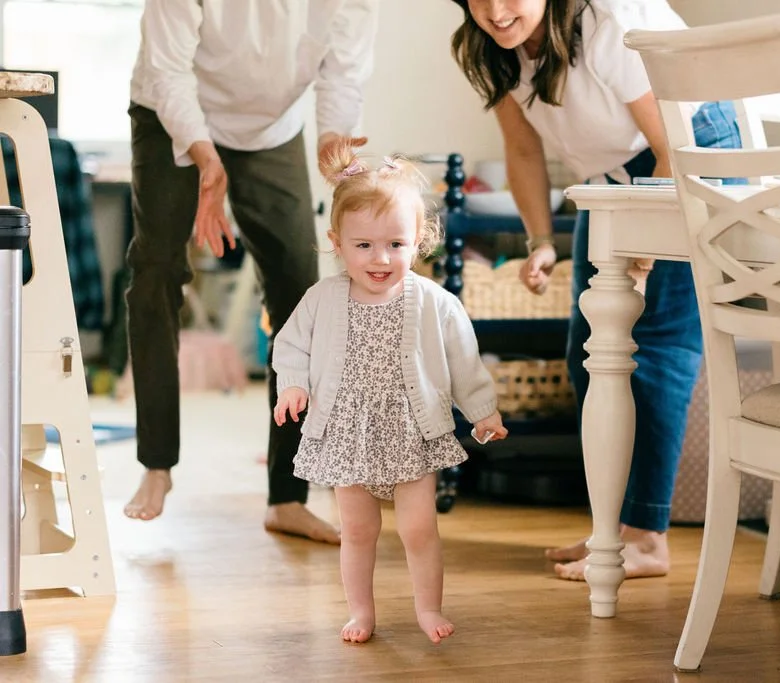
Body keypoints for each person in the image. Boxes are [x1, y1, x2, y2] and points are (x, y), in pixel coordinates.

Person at [450, 0, 744, 580]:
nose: (494, 11)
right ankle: (611, 530)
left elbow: (673, 146)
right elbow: (524, 147)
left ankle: (647, 539)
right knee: (589, 355)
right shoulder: (488, 46)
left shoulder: (607, 24)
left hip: (689, 155)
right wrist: (540, 239)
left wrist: (641, 256)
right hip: (612, 173)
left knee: (652, 350)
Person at [123, 0, 378, 544]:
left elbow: (343, 71)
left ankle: (287, 497)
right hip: (171, 115)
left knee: (299, 292)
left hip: (269, 131)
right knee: (156, 272)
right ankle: (157, 465)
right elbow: (168, 70)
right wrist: (204, 156)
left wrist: (334, 134)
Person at [272, 147, 509, 643]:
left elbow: (464, 362)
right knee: (357, 532)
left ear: (418, 240)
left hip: (411, 431)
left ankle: (428, 609)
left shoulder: (435, 303)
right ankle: (361, 612)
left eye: (395, 244)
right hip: (346, 430)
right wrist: (293, 384)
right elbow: (290, 344)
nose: (379, 259)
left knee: (419, 530)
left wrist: (482, 411)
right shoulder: (322, 299)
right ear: (337, 243)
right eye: (363, 246)